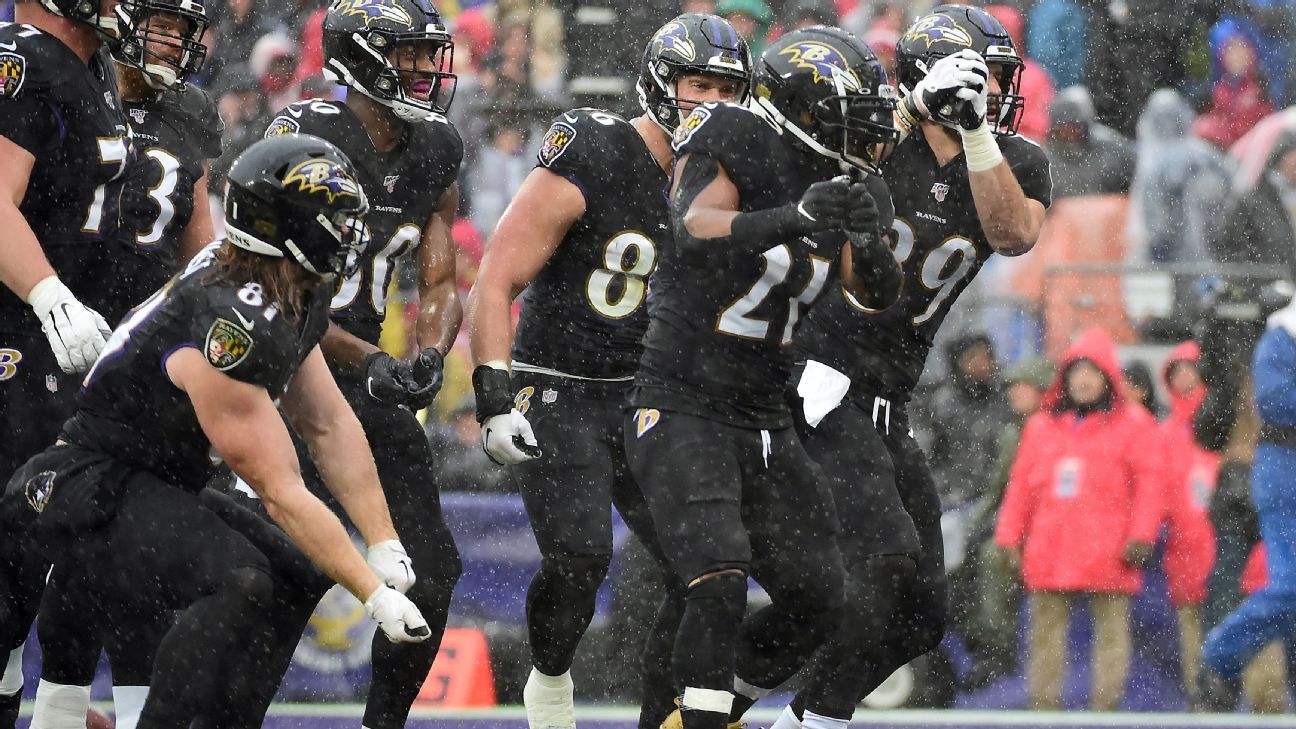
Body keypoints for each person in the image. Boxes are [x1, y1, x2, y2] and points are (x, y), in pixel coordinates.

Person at [1, 133, 429, 729]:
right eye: (334, 220)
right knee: (241, 580)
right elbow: (280, 491)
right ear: (283, 227)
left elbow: (327, 421)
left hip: (148, 480)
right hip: (81, 481)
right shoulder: (230, 319)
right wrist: (372, 594)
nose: (350, 235)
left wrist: (383, 542)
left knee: (299, 574)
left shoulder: (284, 286)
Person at [728, 7, 1050, 728]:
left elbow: (1013, 232)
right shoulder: (876, 135)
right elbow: (808, 172)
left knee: (924, 612)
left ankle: (770, 706)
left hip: (889, 395)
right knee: (882, 562)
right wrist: (908, 108)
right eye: (980, 76)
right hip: (818, 371)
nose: (994, 91)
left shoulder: (1013, 159)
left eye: (1000, 77)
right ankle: (733, 706)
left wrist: (969, 131)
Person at [465, 13, 753, 729]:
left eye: (726, 88)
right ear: (661, 83)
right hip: (558, 384)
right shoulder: (595, 147)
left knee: (705, 571)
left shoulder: (728, 180)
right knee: (580, 555)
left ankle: (662, 718)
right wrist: (493, 392)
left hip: (652, 397)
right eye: (698, 84)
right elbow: (497, 276)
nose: (712, 102)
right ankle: (551, 681)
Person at [633, 25, 903, 729]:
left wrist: (868, 236)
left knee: (820, 596)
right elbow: (692, 225)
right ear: (803, 108)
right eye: (852, 115)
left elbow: (875, 294)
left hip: (765, 411)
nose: (866, 135)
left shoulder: (846, 178)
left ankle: (707, 713)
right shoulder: (735, 131)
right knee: (717, 584)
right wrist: (794, 215)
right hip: (684, 395)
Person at [219, 3, 465, 728]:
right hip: (280, 369)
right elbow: (267, 285)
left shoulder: (435, 146)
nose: (426, 70)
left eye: (429, 55)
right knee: (277, 574)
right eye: (410, 55)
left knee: (432, 573)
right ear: (359, 58)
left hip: (365, 382)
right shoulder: (301, 137)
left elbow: (442, 281)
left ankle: (382, 725)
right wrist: (371, 359)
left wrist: (427, 352)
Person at [23, 0, 222, 724]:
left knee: (139, 549)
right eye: (160, 21)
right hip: (52, 328)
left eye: (182, 27)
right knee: (50, 539)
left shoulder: (187, 109)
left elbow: (202, 250)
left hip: (141, 351)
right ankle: (58, 705)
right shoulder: (69, 76)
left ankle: (127, 711)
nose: (171, 39)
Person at [0, 0, 132, 723]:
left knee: (52, 563)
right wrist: (50, 295)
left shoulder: (93, 66)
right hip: (19, 340)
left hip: (65, 348)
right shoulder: (24, 58)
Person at [995, 328, 1164, 711]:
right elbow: (1020, 487)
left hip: (1110, 547)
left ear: (1107, 377)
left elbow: (1150, 486)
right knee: (1045, 634)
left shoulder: (1134, 424)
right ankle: (1044, 712)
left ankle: (1105, 713)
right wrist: (1008, 537)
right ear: (1064, 377)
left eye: (1091, 372)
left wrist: (1141, 535)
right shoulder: (1041, 426)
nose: (1083, 380)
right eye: (1076, 372)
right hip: (1050, 546)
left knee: (1111, 634)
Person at [1201, 290, 1296, 709]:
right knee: (1290, 588)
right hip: (1283, 472)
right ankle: (1220, 654)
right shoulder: (1282, 334)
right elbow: (1275, 402)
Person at [1157, 341, 1219, 707]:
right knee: (1192, 629)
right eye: (1175, 371)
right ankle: (1202, 699)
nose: (1184, 378)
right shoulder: (1166, 435)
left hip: (1226, 545)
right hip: (1186, 548)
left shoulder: (1227, 426)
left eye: (1190, 368)